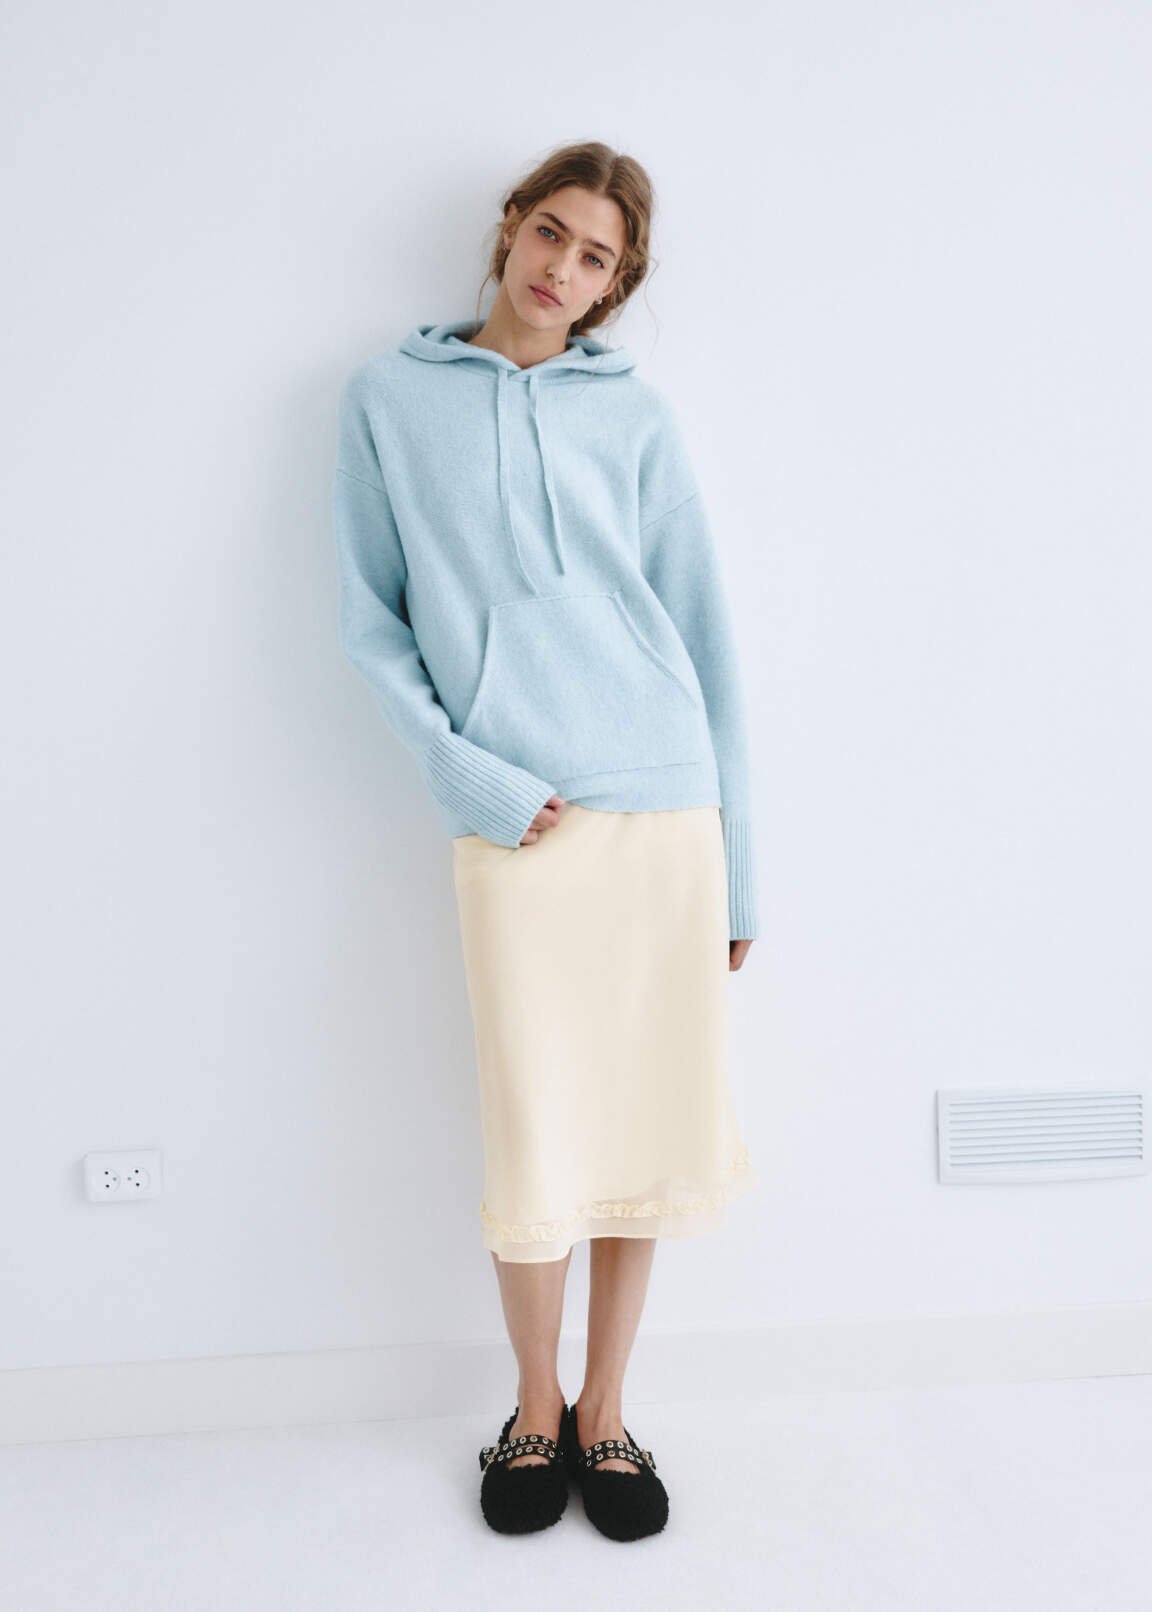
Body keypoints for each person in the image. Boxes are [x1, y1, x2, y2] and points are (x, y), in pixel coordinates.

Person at [332, 140, 760, 1541]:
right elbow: (372, 622)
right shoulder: (390, 399)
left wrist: (742, 864)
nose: (561, 270)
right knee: (538, 1125)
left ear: (615, 285)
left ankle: (607, 1410)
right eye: (551, 234)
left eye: (596, 259)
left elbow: (705, 639)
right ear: (511, 226)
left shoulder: (635, 418)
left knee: (642, 1124)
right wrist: (468, 776)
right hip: (518, 819)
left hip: (664, 805)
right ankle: (532, 1402)